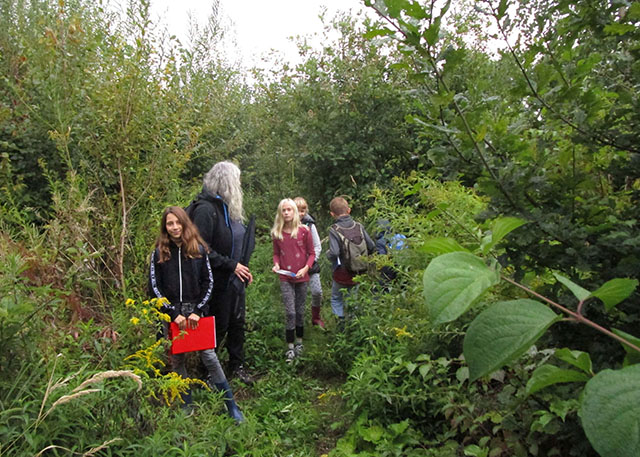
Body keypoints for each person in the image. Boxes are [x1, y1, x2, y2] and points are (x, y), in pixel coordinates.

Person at [148, 206, 243, 422]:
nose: (174, 227)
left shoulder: (199, 249)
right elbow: (154, 287)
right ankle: (186, 405)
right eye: (169, 224)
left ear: (184, 223)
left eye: (177, 223)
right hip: (173, 314)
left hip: (195, 313)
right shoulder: (159, 253)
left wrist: (198, 310)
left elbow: (208, 282)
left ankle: (231, 405)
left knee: (209, 356)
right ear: (165, 227)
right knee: (177, 359)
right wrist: (172, 313)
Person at [190, 161, 255, 385]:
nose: (239, 185)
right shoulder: (206, 210)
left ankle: (237, 365)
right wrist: (231, 265)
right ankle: (207, 371)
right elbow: (200, 248)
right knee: (217, 324)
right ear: (227, 183)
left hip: (234, 278)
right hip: (216, 280)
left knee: (237, 322)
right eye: (236, 181)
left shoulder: (229, 208)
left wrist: (241, 267)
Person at [271, 199, 316, 362]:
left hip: (301, 276)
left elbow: (312, 253)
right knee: (290, 312)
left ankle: (300, 342)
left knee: (300, 310)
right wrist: (276, 265)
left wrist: (305, 269)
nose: (287, 213)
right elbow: (276, 253)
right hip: (285, 277)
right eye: (284, 210)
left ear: (295, 212)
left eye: (289, 210)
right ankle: (290, 347)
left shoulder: (304, 231)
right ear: (280, 213)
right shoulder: (277, 233)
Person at [326, 197, 375, 328]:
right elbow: (371, 245)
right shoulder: (359, 226)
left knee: (337, 298)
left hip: (342, 272)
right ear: (349, 210)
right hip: (358, 271)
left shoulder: (334, 230)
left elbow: (335, 253)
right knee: (353, 298)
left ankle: (341, 326)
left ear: (332, 214)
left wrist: (328, 255)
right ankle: (354, 326)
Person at [294, 197, 325, 328]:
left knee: (317, 291)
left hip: (311, 265)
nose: (301, 214)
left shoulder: (310, 225)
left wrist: (310, 262)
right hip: (295, 266)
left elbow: (318, 246)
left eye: (303, 210)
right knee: (298, 295)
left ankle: (316, 317)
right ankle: (296, 319)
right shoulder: (287, 225)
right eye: (298, 210)